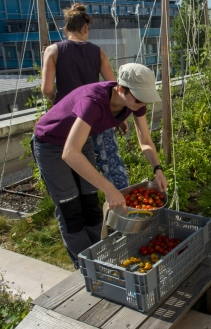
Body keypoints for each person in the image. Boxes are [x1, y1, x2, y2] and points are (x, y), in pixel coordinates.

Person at [33, 63, 168, 269]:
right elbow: (70, 153)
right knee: (70, 207)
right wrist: (110, 188)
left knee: (89, 200)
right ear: (121, 88)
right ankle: (84, 266)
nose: (142, 104)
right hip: (50, 143)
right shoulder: (93, 101)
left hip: (81, 140)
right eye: (139, 98)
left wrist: (157, 170)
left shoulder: (133, 102)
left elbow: (145, 140)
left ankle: (100, 256)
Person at [41, 3, 130, 190]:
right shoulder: (97, 52)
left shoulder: (53, 51)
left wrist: (54, 99)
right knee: (112, 166)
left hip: (67, 119)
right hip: (96, 116)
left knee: (71, 165)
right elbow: (113, 88)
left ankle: (77, 207)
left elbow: (47, 88)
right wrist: (118, 118)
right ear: (86, 27)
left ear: (65, 29)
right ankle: (124, 208)